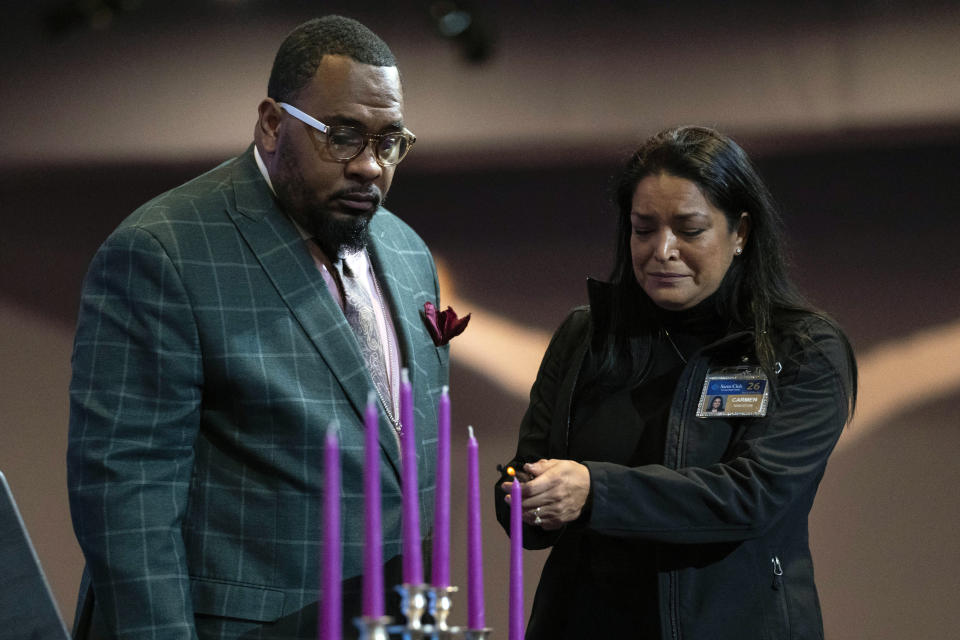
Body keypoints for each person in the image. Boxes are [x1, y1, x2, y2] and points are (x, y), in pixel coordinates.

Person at [67, 16, 449, 639]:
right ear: (273, 124)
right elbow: (125, 497)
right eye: (345, 135)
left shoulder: (408, 252)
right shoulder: (162, 250)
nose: (370, 167)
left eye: (389, 142)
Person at [495, 126, 857, 639]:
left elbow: (750, 497)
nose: (662, 249)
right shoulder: (586, 334)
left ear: (741, 233)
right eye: (644, 228)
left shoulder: (801, 348)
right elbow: (526, 468)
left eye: (689, 229)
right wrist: (527, 498)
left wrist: (595, 491)